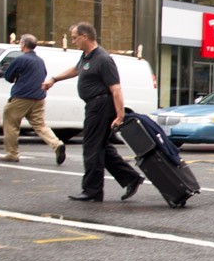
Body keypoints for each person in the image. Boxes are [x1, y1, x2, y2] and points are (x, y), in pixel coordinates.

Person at [42, 22, 143, 202]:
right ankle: (131, 178)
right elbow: (76, 69)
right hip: (93, 105)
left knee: (91, 147)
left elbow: (116, 89)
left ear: (85, 37)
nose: (73, 41)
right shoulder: (86, 56)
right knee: (100, 148)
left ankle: (92, 190)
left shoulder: (103, 59)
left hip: (101, 106)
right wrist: (54, 79)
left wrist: (120, 115)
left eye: (75, 38)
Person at [1, 33, 66, 165]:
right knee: (40, 124)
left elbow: (8, 77)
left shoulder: (20, 59)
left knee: (11, 123)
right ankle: (57, 144)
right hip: (39, 97)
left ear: (24, 45)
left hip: (21, 97)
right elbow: (44, 74)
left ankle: (12, 153)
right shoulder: (39, 60)